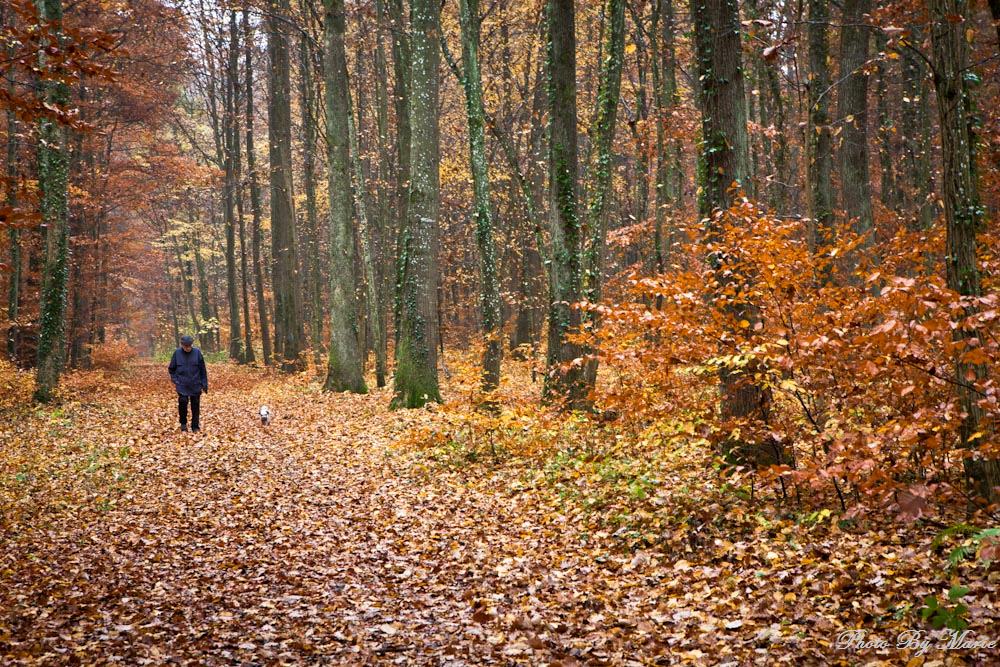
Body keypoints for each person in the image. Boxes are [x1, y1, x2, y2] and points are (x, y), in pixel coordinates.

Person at [168, 335, 208, 432]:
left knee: (195, 405)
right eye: (185, 346)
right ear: (182, 345)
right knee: (183, 403)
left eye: (189, 346)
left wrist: (204, 384)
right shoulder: (177, 353)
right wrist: (175, 380)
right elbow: (171, 369)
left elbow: (203, 370)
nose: (187, 348)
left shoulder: (197, 353)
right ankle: (183, 424)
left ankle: (195, 426)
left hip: (195, 384)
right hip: (182, 384)